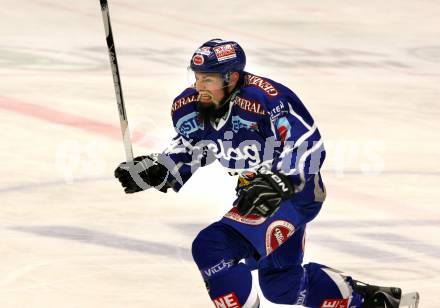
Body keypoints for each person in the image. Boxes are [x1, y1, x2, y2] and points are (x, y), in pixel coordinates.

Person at [114, 39, 404, 308]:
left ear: (233, 78)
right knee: (282, 285)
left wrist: (280, 180)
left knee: (211, 246)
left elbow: (307, 145)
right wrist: (156, 169)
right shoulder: (189, 107)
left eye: (208, 79)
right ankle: (372, 301)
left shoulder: (266, 99)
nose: (199, 85)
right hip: (255, 196)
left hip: (295, 193)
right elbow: (193, 147)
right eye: (197, 76)